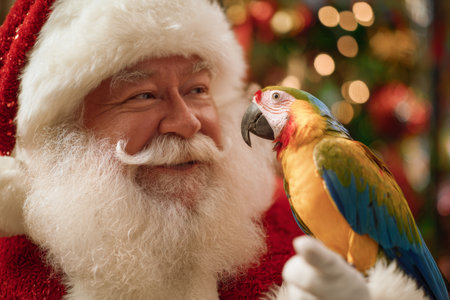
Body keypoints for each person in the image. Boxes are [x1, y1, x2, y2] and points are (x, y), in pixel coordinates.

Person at [0, 0, 432, 299]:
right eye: (143, 95)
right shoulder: (11, 275)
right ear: (62, 134)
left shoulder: (286, 235)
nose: (188, 122)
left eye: (198, 88)